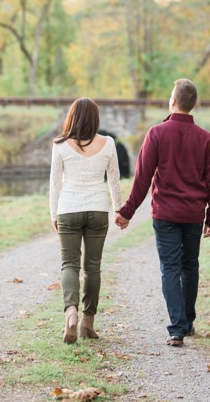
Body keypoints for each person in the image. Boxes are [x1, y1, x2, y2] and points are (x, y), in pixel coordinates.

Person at [114, 78, 210, 347]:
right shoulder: (205, 138)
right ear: (192, 103)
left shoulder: (157, 133)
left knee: (171, 268)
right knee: (190, 265)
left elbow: (142, 178)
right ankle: (187, 321)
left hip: (165, 214)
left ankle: (177, 328)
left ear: (173, 101)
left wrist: (127, 211)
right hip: (194, 214)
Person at [49, 97, 123, 344]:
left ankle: (70, 313)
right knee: (92, 268)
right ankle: (87, 323)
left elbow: (54, 184)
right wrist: (118, 209)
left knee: (69, 265)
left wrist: (53, 214)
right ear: (95, 118)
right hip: (97, 210)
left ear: (72, 117)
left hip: (68, 209)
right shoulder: (108, 143)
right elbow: (114, 180)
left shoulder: (60, 145)